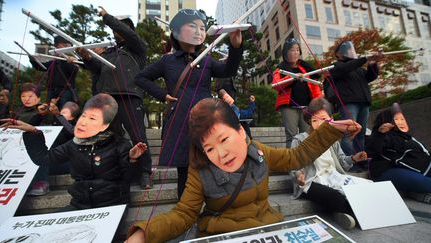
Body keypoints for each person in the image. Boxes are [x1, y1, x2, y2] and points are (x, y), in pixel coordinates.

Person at [125, 98, 361, 243]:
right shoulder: (200, 171)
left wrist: (332, 129)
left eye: (224, 139)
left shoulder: (257, 151)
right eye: (209, 147)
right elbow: (184, 214)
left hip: (267, 230)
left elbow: (296, 156)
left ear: (240, 131)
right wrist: (143, 234)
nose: (221, 153)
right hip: (222, 236)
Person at [134, 9, 243, 198]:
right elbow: (141, 78)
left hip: (207, 120)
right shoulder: (167, 61)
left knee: (212, 164)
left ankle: (213, 208)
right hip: (180, 120)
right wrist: (163, 95)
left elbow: (229, 70)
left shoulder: (207, 60)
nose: (198, 31)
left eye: (202, 28)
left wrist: (235, 46)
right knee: (184, 170)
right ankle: (185, 216)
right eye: (192, 26)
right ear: (176, 32)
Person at [0, 93, 147, 210]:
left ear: (106, 124)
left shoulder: (121, 145)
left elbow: (130, 178)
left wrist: (132, 160)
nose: (84, 121)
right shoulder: (74, 144)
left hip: (112, 206)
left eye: (92, 118)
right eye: (84, 116)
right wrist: (33, 131)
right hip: (79, 205)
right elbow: (43, 159)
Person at [77, 7, 153, 189]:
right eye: (114, 29)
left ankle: (145, 172)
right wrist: (87, 58)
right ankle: (116, 171)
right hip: (107, 100)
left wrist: (107, 18)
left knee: (138, 136)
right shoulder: (108, 52)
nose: (116, 32)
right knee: (111, 138)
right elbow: (97, 69)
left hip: (129, 96)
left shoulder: (137, 48)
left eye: (120, 28)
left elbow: (128, 34)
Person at [291, 97, 371, 230]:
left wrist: (354, 158)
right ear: (309, 121)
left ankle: (347, 213)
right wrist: (298, 175)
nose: (319, 124)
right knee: (335, 196)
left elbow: (342, 162)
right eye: (315, 120)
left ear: (331, 120)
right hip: (311, 181)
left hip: (334, 176)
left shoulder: (332, 140)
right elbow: (293, 163)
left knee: (366, 185)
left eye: (324, 119)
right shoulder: (299, 139)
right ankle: (356, 215)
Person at [366, 103, 431, 204]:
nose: (401, 122)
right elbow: (371, 152)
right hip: (387, 171)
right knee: (426, 183)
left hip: (411, 168)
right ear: (388, 121)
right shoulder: (383, 135)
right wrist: (380, 134)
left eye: (402, 119)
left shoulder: (407, 136)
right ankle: (416, 191)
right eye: (397, 119)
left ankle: (413, 192)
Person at [328, 41, 382, 156]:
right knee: (349, 132)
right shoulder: (337, 66)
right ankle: (349, 161)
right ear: (340, 54)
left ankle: (360, 158)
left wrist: (372, 64)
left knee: (361, 133)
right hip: (349, 103)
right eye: (348, 50)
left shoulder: (358, 69)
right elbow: (344, 69)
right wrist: (364, 59)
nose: (352, 51)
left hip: (363, 102)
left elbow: (371, 76)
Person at [271, 38, 322, 148]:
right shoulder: (280, 69)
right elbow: (276, 84)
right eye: (292, 50)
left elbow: (314, 87)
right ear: (285, 52)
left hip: (306, 107)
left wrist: (319, 104)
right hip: (289, 107)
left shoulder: (305, 68)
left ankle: (307, 162)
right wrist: (293, 77)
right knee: (292, 135)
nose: (296, 53)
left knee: (307, 135)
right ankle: (292, 163)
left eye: (298, 50)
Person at [29, 36, 78, 109]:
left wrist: (68, 60)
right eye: (58, 46)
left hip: (65, 91)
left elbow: (73, 72)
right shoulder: (54, 62)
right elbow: (42, 67)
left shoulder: (73, 60)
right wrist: (33, 60)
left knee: (64, 111)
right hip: (51, 90)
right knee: (49, 111)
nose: (60, 48)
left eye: (64, 45)